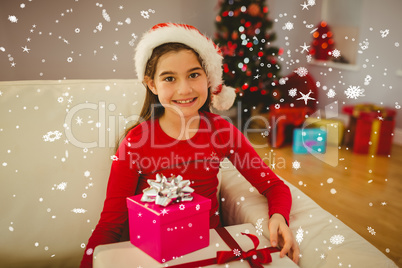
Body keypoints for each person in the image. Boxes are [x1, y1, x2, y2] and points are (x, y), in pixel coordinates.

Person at [80, 23, 299, 268]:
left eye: (194, 74)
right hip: (153, 257)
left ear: (208, 79)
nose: (184, 89)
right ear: (152, 85)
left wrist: (279, 217)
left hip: (209, 253)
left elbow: (273, 185)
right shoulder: (135, 143)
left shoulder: (223, 132)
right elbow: (110, 224)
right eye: (169, 78)